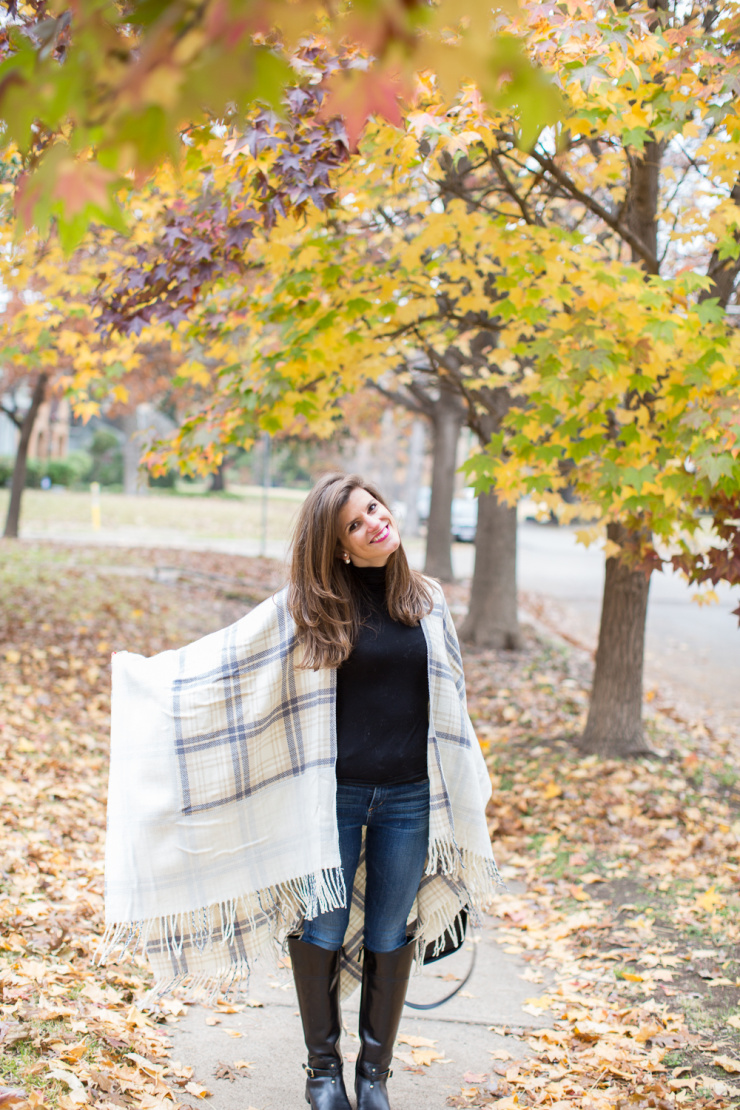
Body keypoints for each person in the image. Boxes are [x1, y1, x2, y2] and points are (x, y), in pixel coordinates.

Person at [102, 472, 500, 1110]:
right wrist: (145, 680)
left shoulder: (428, 601)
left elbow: (451, 705)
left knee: (390, 933)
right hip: (331, 802)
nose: (374, 522)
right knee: (323, 927)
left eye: (374, 508)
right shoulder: (307, 609)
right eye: (354, 523)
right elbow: (228, 665)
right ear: (339, 546)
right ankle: (322, 1073)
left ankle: (374, 1077)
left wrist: (466, 787)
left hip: (409, 800)